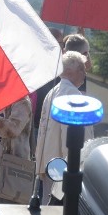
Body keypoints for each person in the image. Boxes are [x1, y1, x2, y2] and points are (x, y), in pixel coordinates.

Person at [33, 51, 92, 202]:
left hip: (48, 162)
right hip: (63, 166)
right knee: (60, 213)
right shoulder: (72, 95)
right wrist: (74, 165)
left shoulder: (52, 91)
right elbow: (71, 136)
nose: (84, 74)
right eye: (82, 69)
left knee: (48, 210)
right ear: (70, 71)